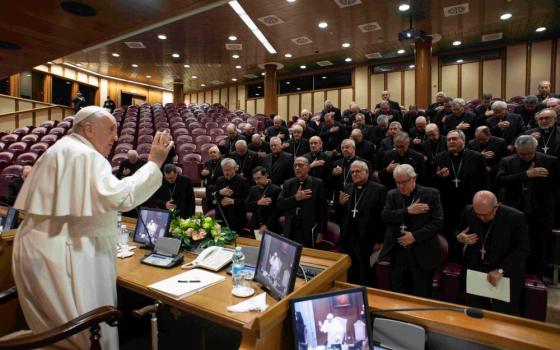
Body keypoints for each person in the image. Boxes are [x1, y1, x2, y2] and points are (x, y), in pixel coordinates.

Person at [12, 106, 173, 349]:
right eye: (110, 129)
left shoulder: (59, 149)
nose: (116, 137)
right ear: (88, 129)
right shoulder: (84, 155)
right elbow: (121, 197)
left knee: (53, 330)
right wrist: (153, 163)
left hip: (40, 247)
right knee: (85, 332)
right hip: (67, 252)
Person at [456, 191, 530, 315]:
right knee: (475, 313)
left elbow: (523, 249)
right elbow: (459, 230)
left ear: (496, 206)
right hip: (476, 270)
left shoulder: (515, 217)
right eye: (478, 214)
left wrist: (501, 270)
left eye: (486, 215)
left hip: (505, 273)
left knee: (502, 316)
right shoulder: (468, 211)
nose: (481, 218)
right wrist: (460, 237)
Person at [496, 135, 559, 275]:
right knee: (513, 244)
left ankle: (537, 277)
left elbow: (556, 186)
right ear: (516, 149)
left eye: (530, 153)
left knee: (539, 246)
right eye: (522, 154)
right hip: (515, 211)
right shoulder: (507, 161)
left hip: (542, 213)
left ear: (536, 148)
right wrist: (525, 174)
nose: (526, 157)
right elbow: (500, 180)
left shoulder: (550, 161)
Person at [380, 164, 444, 298]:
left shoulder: (431, 194)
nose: (400, 186)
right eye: (397, 182)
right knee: (397, 293)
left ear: (414, 178)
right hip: (398, 253)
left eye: (403, 182)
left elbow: (438, 222)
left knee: (420, 294)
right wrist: (407, 211)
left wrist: (414, 236)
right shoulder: (392, 194)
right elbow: (385, 216)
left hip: (421, 253)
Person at [432, 130, 488, 258]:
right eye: (448, 139)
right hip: (447, 205)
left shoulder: (477, 157)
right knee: (448, 235)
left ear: (463, 140)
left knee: (470, 235)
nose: (451, 141)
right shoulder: (439, 157)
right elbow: (430, 183)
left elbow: (484, 182)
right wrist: (438, 176)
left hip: (469, 205)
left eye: (454, 139)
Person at [339, 160, 386, 285]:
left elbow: (382, 217)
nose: (354, 174)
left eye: (357, 171)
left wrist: (379, 240)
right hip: (349, 237)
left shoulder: (379, 190)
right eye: (352, 172)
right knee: (349, 270)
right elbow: (341, 214)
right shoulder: (347, 187)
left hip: (368, 238)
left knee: (366, 272)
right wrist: (341, 204)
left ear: (366, 172)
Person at [277, 157, 327, 248]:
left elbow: (323, 210)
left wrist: (321, 231)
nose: (297, 168)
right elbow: (280, 204)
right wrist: (296, 198)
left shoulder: (318, 183)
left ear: (308, 168)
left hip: (309, 228)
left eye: (300, 165)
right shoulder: (288, 183)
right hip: (290, 228)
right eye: (295, 165)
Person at [214, 158, 250, 235]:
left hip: (237, 218)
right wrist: (220, 192)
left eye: (229, 170)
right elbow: (213, 197)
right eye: (224, 170)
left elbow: (247, 201)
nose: (226, 172)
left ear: (234, 169)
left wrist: (233, 201)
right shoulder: (219, 180)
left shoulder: (243, 181)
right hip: (221, 217)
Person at [467, 126, 508, 191]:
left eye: (483, 139)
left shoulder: (500, 142)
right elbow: (468, 160)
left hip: (494, 176)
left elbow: (505, 161)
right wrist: (480, 156)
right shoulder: (471, 143)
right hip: (477, 177)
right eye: (478, 139)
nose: (480, 142)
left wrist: (491, 169)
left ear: (489, 135)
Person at [245, 166, 281, 235]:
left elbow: (276, 211)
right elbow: (246, 206)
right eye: (255, 179)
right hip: (255, 226)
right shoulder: (253, 189)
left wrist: (266, 225)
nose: (256, 181)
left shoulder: (276, 189)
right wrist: (258, 203)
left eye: (258, 178)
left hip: (271, 227)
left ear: (266, 175)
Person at [200, 146, 223, 210]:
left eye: (214, 152)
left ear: (219, 153)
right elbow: (202, 176)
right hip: (209, 187)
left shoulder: (223, 162)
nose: (212, 154)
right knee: (210, 205)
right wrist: (202, 174)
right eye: (210, 153)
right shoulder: (207, 163)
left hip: (220, 187)